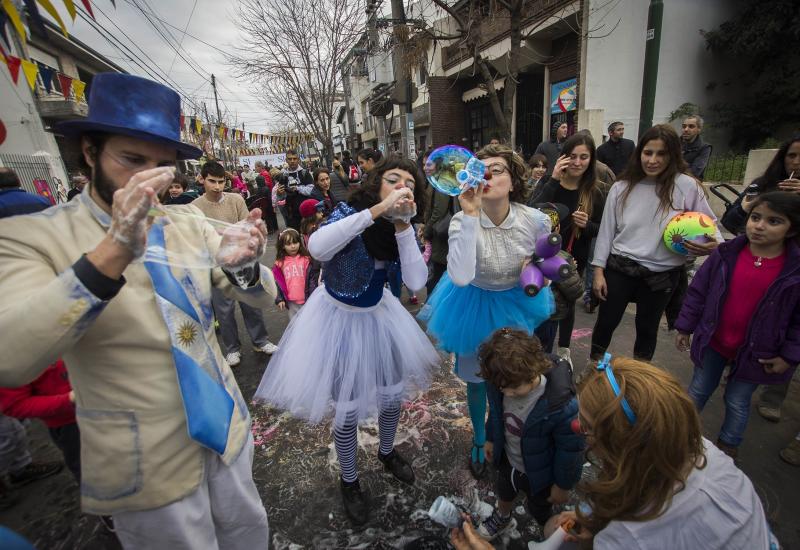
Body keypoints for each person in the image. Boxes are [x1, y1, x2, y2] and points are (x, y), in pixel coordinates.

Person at [0, 73, 275, 548]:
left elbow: (259, 297)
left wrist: (245, 265)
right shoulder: (31, 237)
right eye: (131, 159)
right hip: (143, 459)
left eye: (162, 165)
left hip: (224, 427)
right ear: (89, 152)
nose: (150, 178)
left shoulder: (186, 221)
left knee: (248, 537)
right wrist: (112, 252)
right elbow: (12, 357)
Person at [253, 155, 439, 526]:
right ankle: (350, 479)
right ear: (376, 184)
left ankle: (387, 452)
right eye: (393, 180)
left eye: (410, 185)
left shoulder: (400, 228)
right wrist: (377, 210)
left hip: (381, 318)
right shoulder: (348, 211)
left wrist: (402, 226)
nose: (402, 188)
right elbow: (319, 248)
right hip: (336, 321)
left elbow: (417, 283)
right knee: (348, 410)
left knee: (391, 395)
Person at [420, 144, 554, 479]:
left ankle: (502, 435)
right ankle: (480, 439)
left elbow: (547, 266)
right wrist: (468, 215)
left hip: (515, 304)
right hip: (472, 304)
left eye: (497, 169)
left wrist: (538, 271)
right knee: (476, 380)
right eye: (481, 169)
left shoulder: (535, 220)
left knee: (512, 378)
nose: (487, 175)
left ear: (513, 182)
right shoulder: (460, 222)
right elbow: (462, 277)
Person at [554, 357, 772, 550]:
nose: (577, 427)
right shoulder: (705, 451)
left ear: (622, 443)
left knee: (555, 535)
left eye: (587, 426)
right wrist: (598, 519)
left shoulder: (630, 537)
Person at [674, 192, 800, 458]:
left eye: (774, 221)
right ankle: (679, 435)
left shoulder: (793, 271)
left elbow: (797, 322)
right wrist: (685, 327)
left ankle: (728, 447)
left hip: (758, 352)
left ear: (792, 229)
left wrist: (788, 356)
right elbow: (698, 292)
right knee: (697, 390)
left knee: (737, 400)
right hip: (714, 341)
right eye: (755, 217)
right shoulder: (725, 254)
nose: (760, 225)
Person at [590, 124, 721, 362]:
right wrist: (598, 271)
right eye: (647, 152)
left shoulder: (687, 186)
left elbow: (710, 225)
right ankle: (593, 366)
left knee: (647, 329)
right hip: (620, 268)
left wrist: (714, 245)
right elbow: (606, 233)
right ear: (639, 153)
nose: (652, 160)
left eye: (661, 154)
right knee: (606, 323)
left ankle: (641, 378)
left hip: (662, 274)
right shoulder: (621, 187)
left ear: (673, 155)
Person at [476, 329, 584, 540]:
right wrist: (490, 438)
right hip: (510, 462)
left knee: (540, 507)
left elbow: (570, 451)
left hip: (541, 473)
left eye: (514, 389)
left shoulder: (559, 405)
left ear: (534, 370)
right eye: (502, 388)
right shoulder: (504, 382)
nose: (507, 394)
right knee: (505, 492)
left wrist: (562, 485)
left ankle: (550, 531)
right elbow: (497, 414)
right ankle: (503, 516)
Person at [193, 161, 279, 364]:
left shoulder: (236, 199)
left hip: (242, 260)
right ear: (202, 179)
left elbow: (246, 226)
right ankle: (232, 348)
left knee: (251, 304)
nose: (217, 186)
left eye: (221, 181)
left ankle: (260, 340)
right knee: (224, 310)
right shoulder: (195, 206)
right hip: (215, 264)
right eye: (212, 181)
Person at [533, 133, 605, 362]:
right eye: (572, 156)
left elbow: (604, 230)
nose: (577, 162)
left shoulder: (595, 191)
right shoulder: (548, 182)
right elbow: (530, 212)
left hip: (575, 258)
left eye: (584, 157)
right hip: (544, 255)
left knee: (568, 301)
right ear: (563, 157)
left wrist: (588, 225)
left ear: (591, 159)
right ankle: (539, 349)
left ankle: (564, 350)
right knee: (542, 299)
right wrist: (553, 180)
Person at [720, 134, 800, 235]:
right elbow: (728, 222)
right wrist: (744, 209)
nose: (796, 162)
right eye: (791, 156)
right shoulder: (762, 184)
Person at [272, 228, 317, 320]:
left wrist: (314, 296)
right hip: (292, 302)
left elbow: (312, 279)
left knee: (309, 323)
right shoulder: (280, 263)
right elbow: (277, 283)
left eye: (295, 242)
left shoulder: (306, 259)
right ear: (282, 246)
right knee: (294, 325)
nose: (293, 246)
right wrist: (279, 299)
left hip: (307, 300)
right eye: (288, 244)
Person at [274, 150, 315, 230]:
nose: (292, 161)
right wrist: (279, 193)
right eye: (290, 159)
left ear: (298, 159)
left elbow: (311, 190)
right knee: (296, 238)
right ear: (286, 160)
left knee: (308, 236)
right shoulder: (283, 175)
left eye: (294, 158)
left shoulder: (304, 173)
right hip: (291, 214)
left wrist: (297, 188)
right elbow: (281, 198)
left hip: (306, 212)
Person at [680, 115, 712, 179]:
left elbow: (694, 172)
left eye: (691, 126)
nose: (686, 129)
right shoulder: (674, 143)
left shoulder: (705, 148)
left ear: (699, 129)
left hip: (690, 185)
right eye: (684, 126)